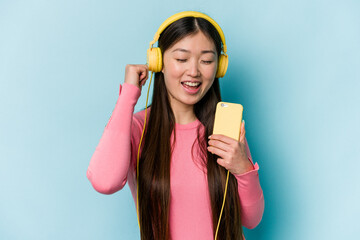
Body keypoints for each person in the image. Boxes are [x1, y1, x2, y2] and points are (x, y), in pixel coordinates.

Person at [87, 11, 264, 240]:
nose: (194, 71)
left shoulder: (225, 129)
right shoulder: (137, 129)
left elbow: (252, 219)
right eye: (182, 59)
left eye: (207, 61)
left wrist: (243, 168)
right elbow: (104, 181)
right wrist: (128, 95)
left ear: (219, 67)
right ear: (158, 61)